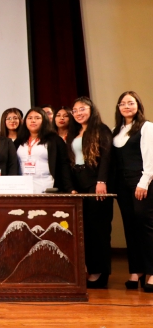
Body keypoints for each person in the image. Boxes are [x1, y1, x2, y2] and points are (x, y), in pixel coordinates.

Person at [65, 97, 113, 288]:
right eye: (75, 110)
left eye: (82, 109)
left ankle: (101, 273)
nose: (78, 113)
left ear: (91, 110)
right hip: (79, 183)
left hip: (96, 183)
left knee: (98, 229)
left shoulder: (101, 129)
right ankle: (90, 269)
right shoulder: (74, 132)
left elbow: (107, 158)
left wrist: (101, 181)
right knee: (84, 229)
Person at [112, 91, 153, 292]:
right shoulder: (116, 130)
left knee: (146, 226)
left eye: (130, 103)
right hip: (122, 185)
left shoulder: (147, 127)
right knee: (129, 226)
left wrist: (143, 182)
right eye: (122, 103)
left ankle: (152, 272)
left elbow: (150, 157)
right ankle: (136, 271)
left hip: (142, 182)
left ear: (138, 105)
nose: (126, 106)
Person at [14, 108, 73, 193]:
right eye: (30, 118)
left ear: (44, 120)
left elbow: (64, 164)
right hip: (23, 187)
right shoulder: (19, 141)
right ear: (25, 121)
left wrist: (69, 187)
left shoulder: (54, 140)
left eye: (37, 118)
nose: (33, 121)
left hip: (47, 185)